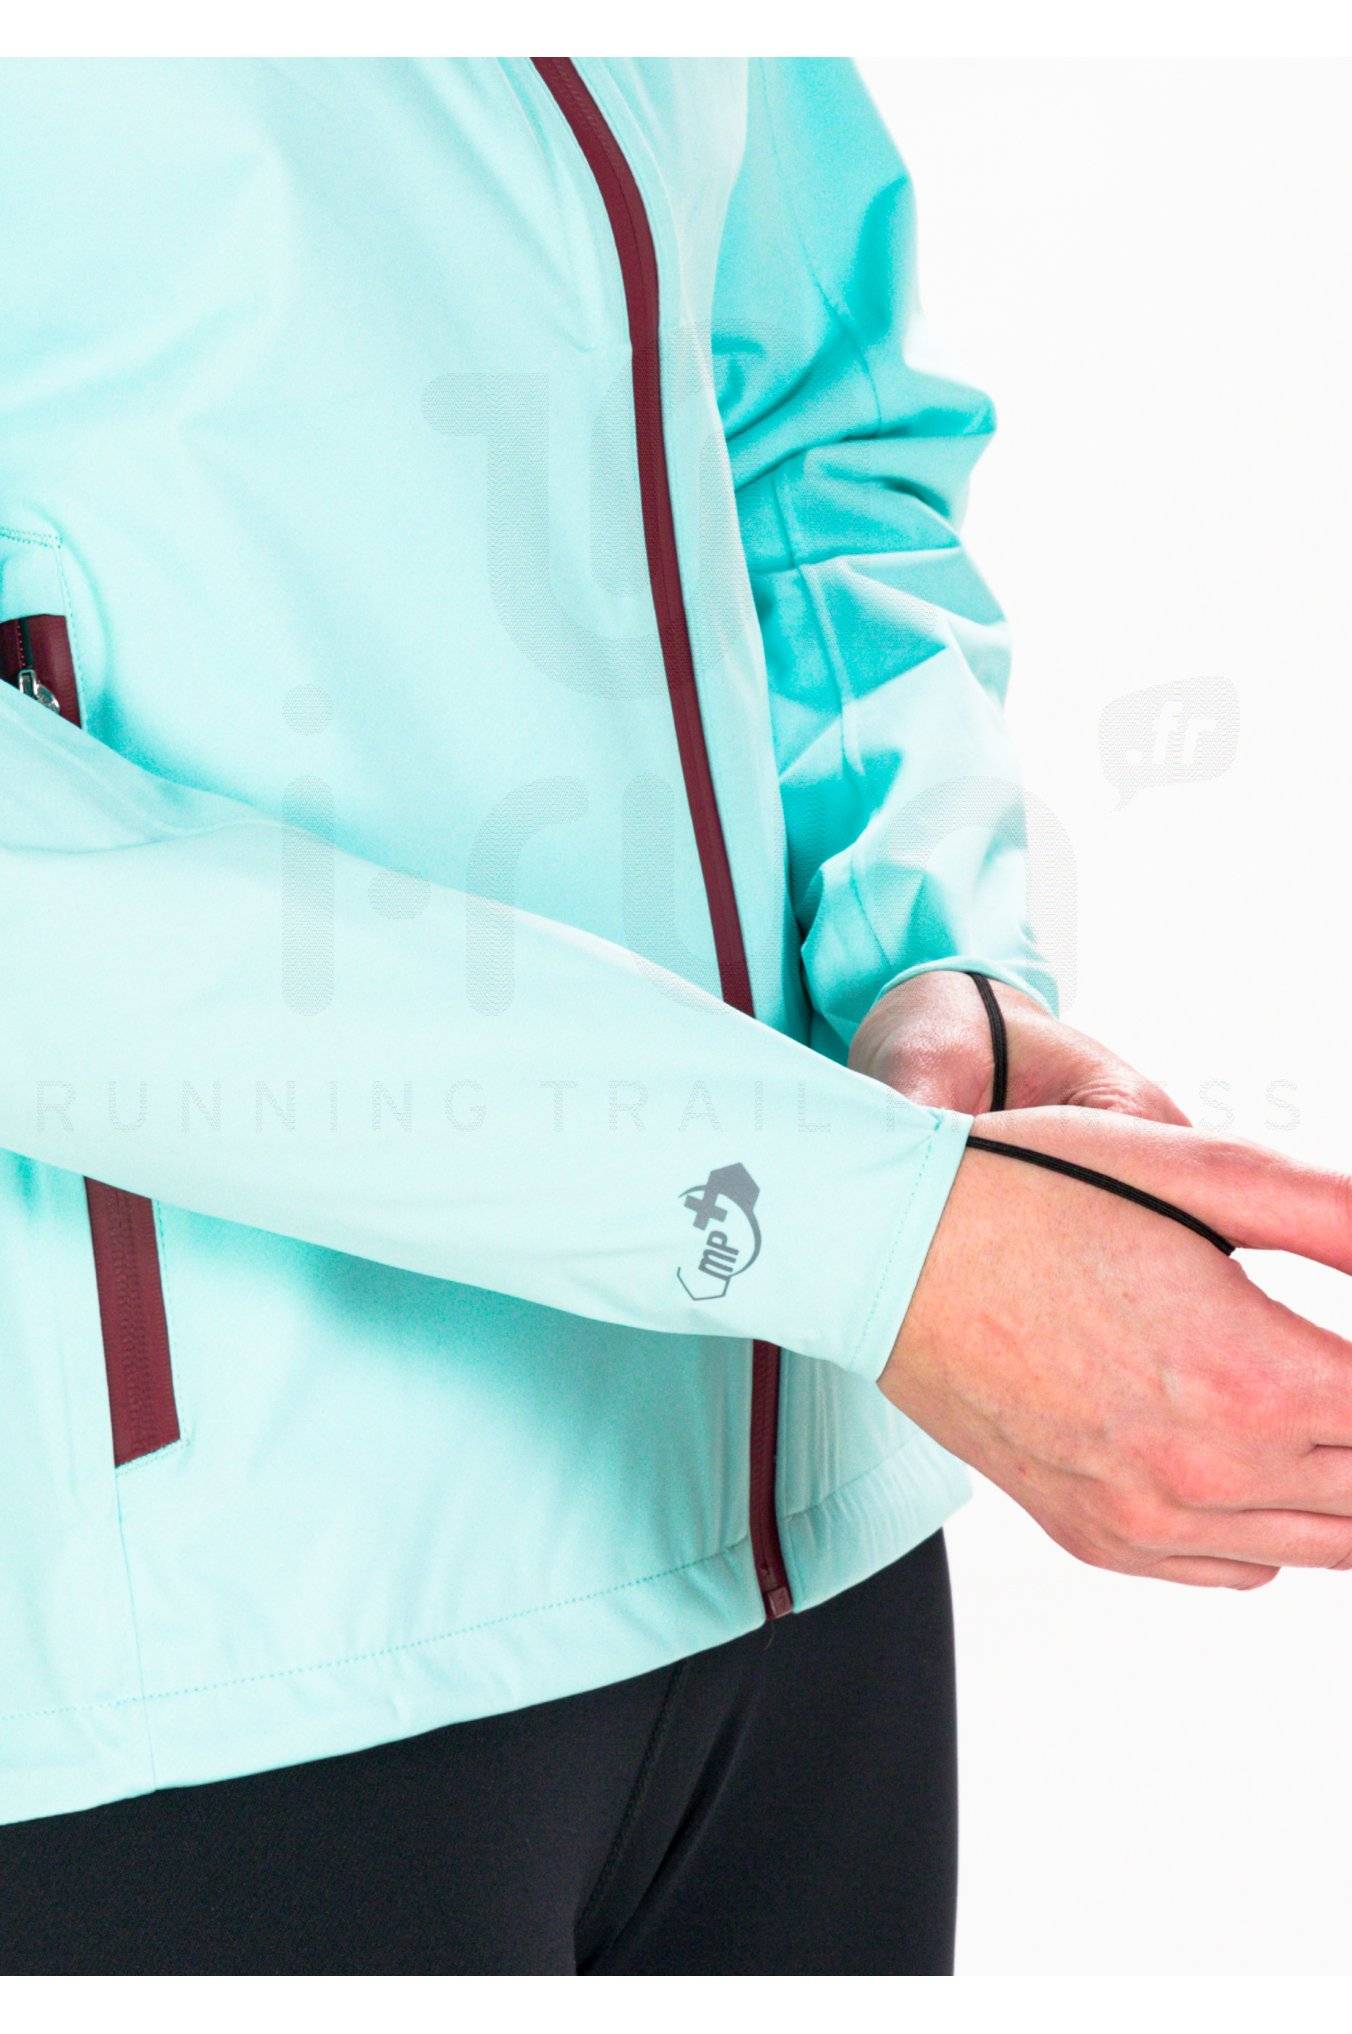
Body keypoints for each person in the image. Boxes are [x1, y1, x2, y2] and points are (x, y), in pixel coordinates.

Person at [2, 56, 1350, 1977]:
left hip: (803, 1557)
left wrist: (921, 953)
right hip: (223, 1655)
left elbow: (805, 422)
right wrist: (872, 1233)